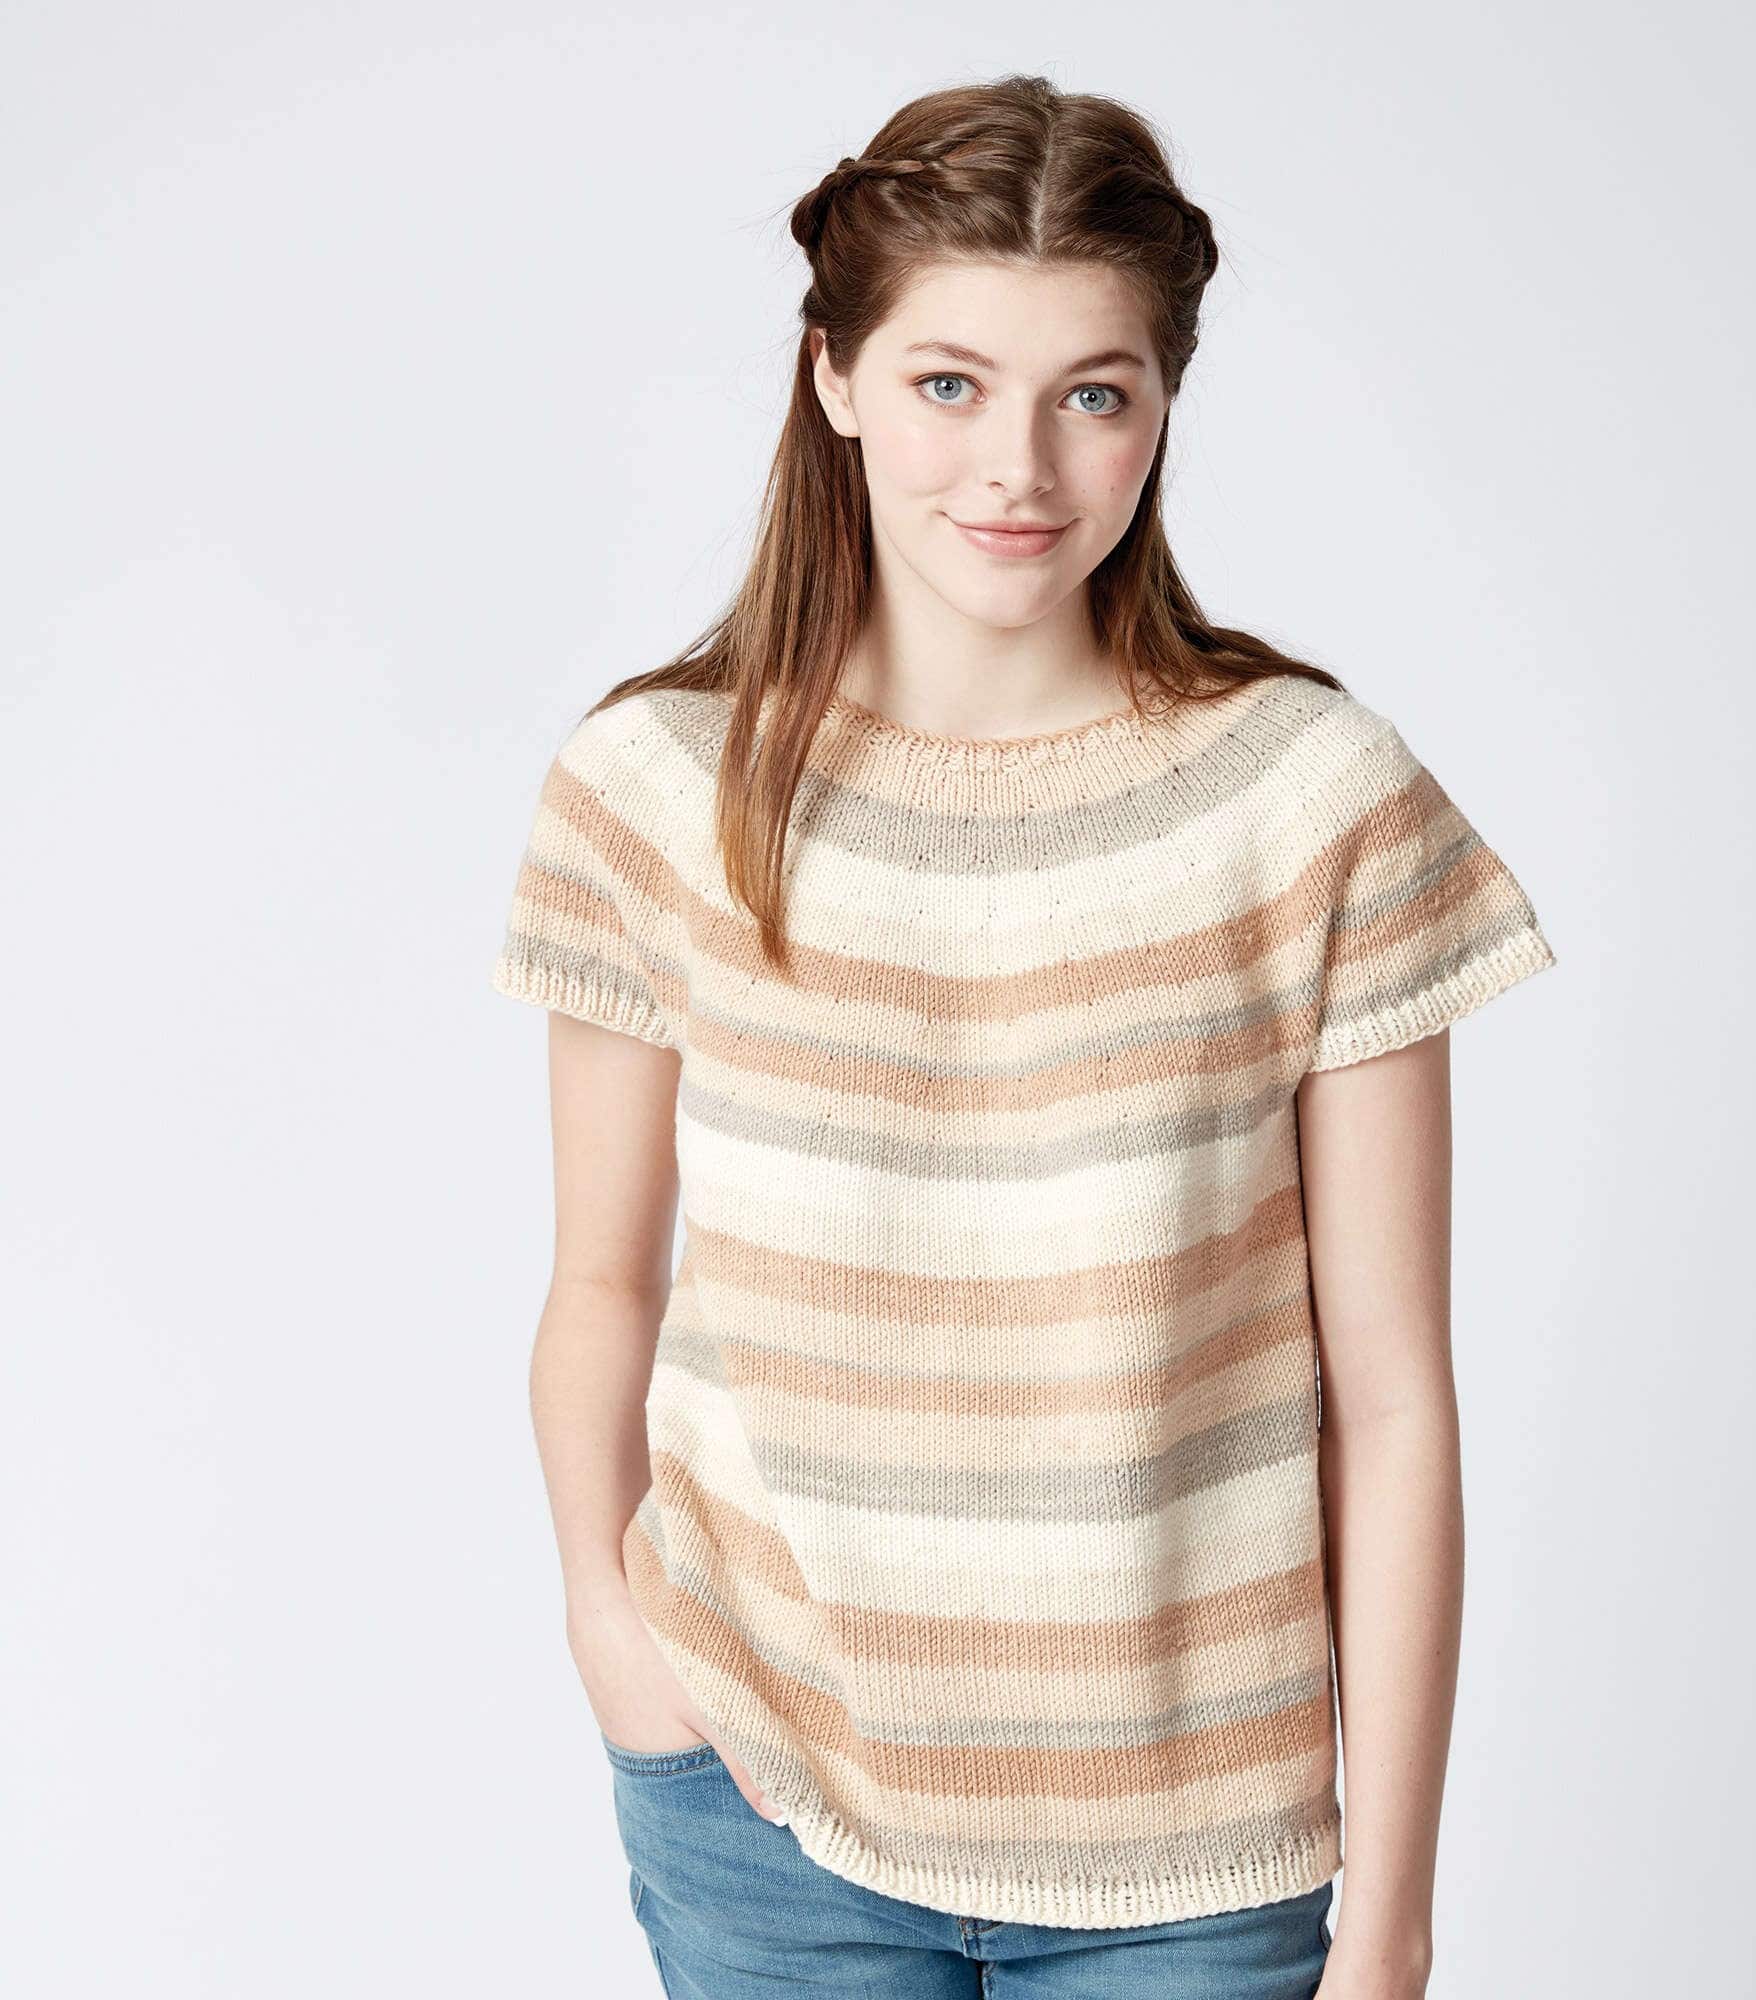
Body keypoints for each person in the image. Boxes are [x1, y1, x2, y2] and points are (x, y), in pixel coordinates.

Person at [489, 72, 1555, 2000]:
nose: (1020, 469)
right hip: (759, 1803)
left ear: (1163, 408)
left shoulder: (1308, 800)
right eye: (949, 383)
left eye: (1094, 395)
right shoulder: (656, 788)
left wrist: (1391, 1922)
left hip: (1194, 1845)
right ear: (833, 378)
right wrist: (606, 1625)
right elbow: (601, 1286)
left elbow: (1393, 1393)